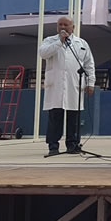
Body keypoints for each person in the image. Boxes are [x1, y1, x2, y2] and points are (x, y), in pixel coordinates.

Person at [39, 16, 96, 157]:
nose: (63, 27)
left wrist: (90, 83)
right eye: (60, 24)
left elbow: (89, 64)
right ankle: (53, 146)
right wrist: (59, 41)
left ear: (73, 27)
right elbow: (43, 53)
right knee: (55, 118)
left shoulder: (81, 43)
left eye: (66, 24)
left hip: (74, 85)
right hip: (56, 86)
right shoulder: (50, 41)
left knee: (74, 118)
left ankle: (72, 145)